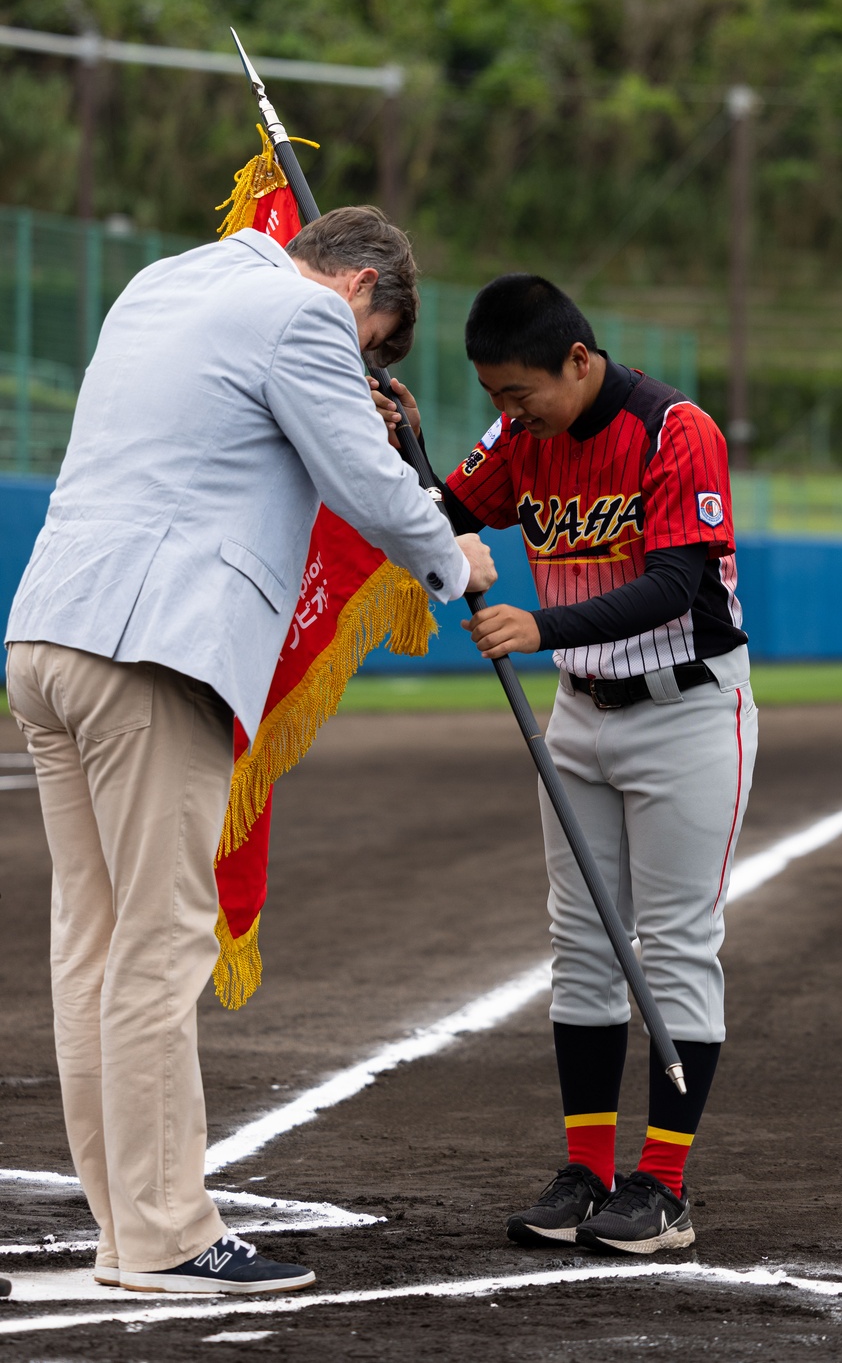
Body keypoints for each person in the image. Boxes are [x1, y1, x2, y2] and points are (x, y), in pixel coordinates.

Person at [4, 207, 496, 1295]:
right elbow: (366, 486)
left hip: (48, 633)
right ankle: (170, 1234)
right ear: (364, 284)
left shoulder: (163, 281)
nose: (359, 355)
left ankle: (127, 1227)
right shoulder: (305, 320)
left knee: (90, 944)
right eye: (372, 338)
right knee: (161, 940)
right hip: (152, 647)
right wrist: (454, 558)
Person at [373, 273, 756, 1256]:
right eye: (496, 398)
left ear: (578, 360)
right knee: (581, 942)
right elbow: (450, 508)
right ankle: (587, 1169)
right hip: (579, 712)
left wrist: (540, 624)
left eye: (519, 394)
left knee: (672, 941)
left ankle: (661, 1188)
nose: (510, 416)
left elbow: (675, 583)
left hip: (687, 708)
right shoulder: (522, 436)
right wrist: (403, 450)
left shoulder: (676, 429)